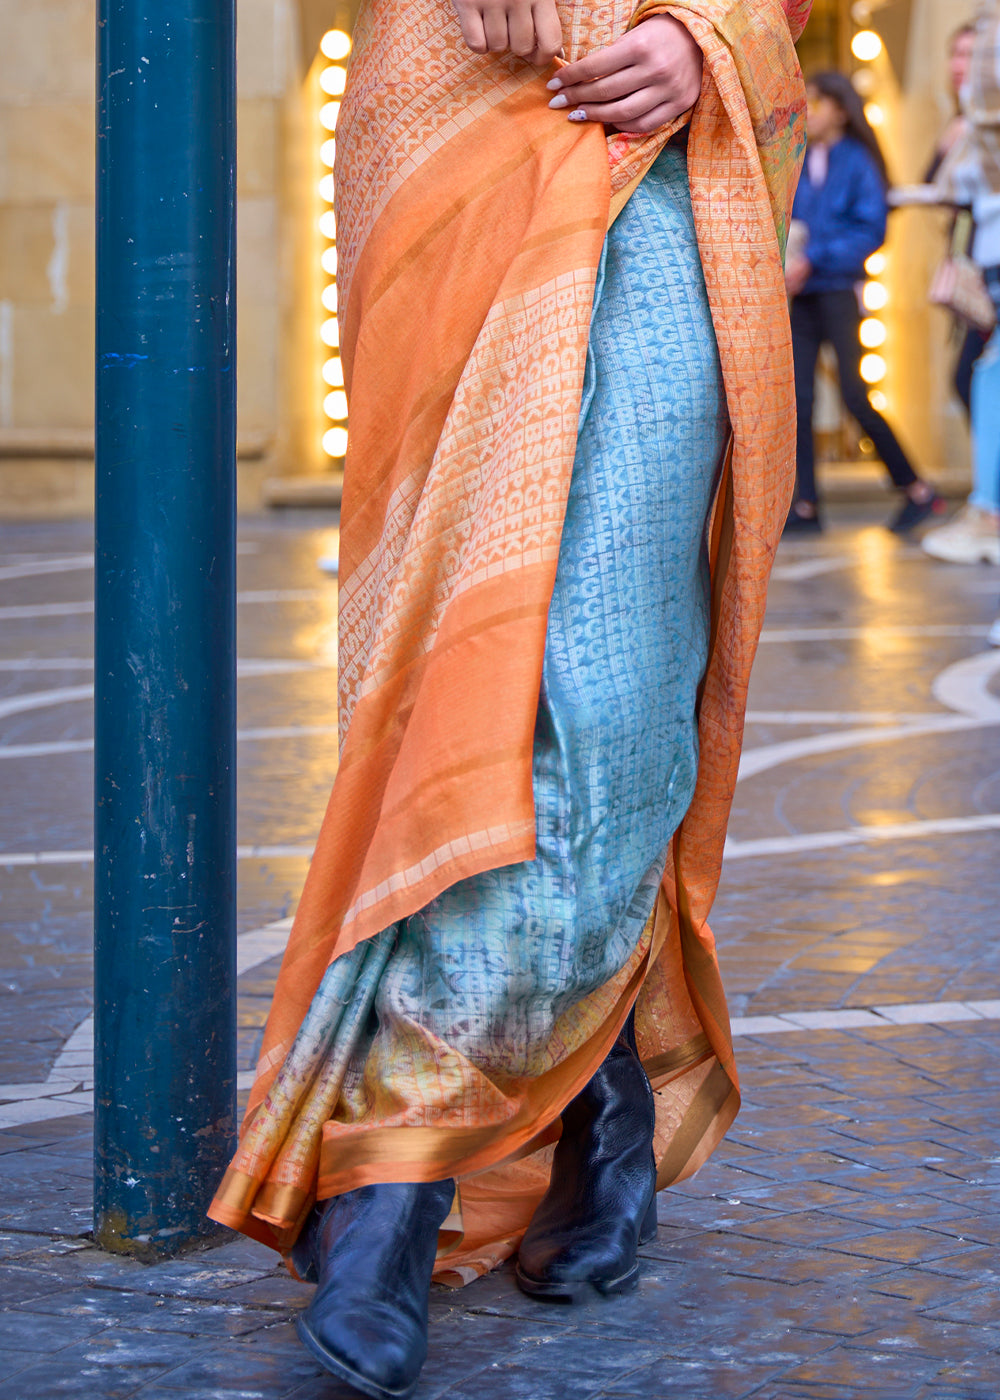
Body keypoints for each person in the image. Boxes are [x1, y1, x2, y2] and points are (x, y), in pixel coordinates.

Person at [209, 2, 812, 1396]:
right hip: (443, 110)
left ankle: (393, 1168)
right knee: (468, 672)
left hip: (660, 128)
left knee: (606, 685)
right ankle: (600, 1100)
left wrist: (706, 28)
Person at [784, 71, 943, 535]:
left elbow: (870, 229)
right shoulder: (797, 157)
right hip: (802, 295)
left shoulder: (857, 162)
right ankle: (806, 505)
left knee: (855, 393)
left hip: (837, 291)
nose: (808, 110)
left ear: (839, 109)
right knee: (799, 399)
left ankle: (917, 490)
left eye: (816, 102)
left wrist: (813, 257)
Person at [922, 19, 1000, 567]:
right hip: (984, 266)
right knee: (984, 374)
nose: (964, 66)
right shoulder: (969, 122)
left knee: (985, 375)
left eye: (975, 53)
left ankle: (988, 509)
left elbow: (956, 187)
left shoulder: (981, 122)